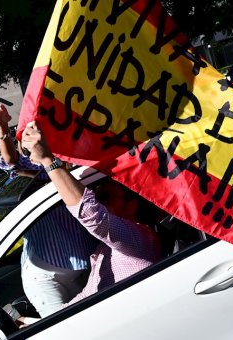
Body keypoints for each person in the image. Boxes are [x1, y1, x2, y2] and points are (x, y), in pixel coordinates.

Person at [21, 120, 162, 308]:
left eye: (105, 196)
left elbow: (93, 216)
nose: (98, 200)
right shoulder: (111, 246)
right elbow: (88, 294)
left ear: (133, 205)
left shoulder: (139, 239)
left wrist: (48, 160)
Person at [0, 105, 97, 317]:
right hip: (47, 277)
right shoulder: (35, 171)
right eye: (27, 136)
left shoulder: (77, 166)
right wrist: (2, 127)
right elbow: (11, 162)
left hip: (86, 266)